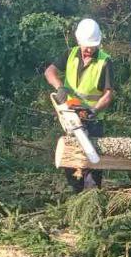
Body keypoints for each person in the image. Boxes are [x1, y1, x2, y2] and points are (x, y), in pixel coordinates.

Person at [43, 18, 114, 191]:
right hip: (70, 116)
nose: (89, 49)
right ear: (79, 41)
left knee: (93, 163)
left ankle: (92, 197)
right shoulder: (71, 54)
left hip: (92, 119)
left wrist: (94, 110)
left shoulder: (104, 61)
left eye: (92, 45)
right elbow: (49, 71)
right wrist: (60, 87)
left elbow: (108, 93)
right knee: (71, 159)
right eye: (86, 45)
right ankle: (76, 193)